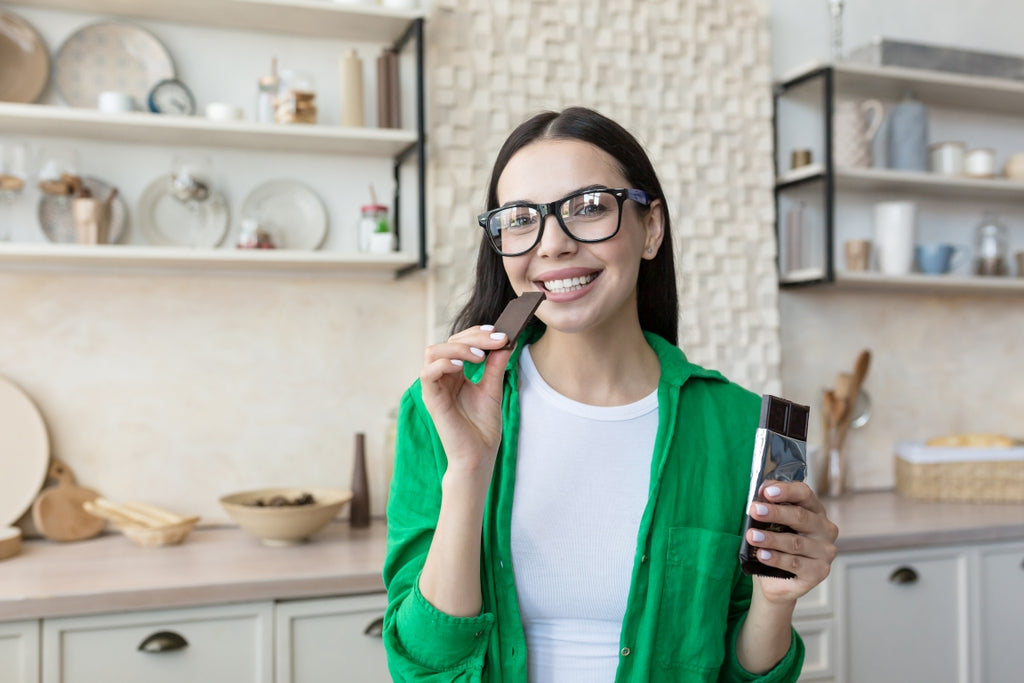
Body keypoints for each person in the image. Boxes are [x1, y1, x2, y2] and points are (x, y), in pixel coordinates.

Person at [382, 106, 839, 682]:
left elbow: (744, 675)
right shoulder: (439, 410)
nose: (551, 245)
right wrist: (468, 470)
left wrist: (777, 600)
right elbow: (424, 665)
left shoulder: (743, 427)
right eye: (521, 219)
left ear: (651, 229)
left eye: (590, 208)